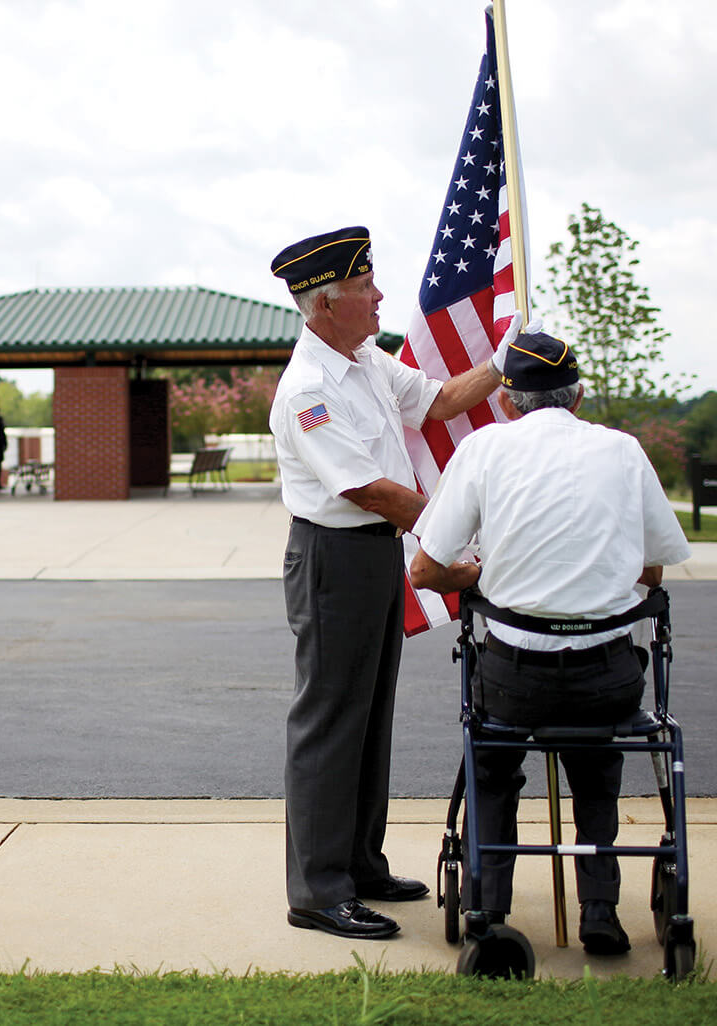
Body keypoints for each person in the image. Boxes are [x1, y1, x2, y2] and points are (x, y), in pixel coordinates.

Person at [269, 225, 533, 941]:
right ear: (327, 304)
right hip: (333, 558)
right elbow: (369, 489)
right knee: (330, 720)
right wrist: (461, 530)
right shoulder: (310, 389)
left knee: (369, 714)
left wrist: (506, 361)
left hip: (373, 556)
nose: (380, 295)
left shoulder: (366, 362)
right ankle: (319, 889)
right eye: (364, 287)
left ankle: (359, 863)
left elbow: (441, 400)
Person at [407, 329, 691, 954]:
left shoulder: (484, 448)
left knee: (492, 763)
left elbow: (424, 571)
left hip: (516, 677)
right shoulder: (623, 451)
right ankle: (600, 909)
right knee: (597, 763)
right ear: (578, 396)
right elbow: (652, 570)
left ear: (507, 401)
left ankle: (489, 907)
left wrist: (480, 576)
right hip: (606, 675)